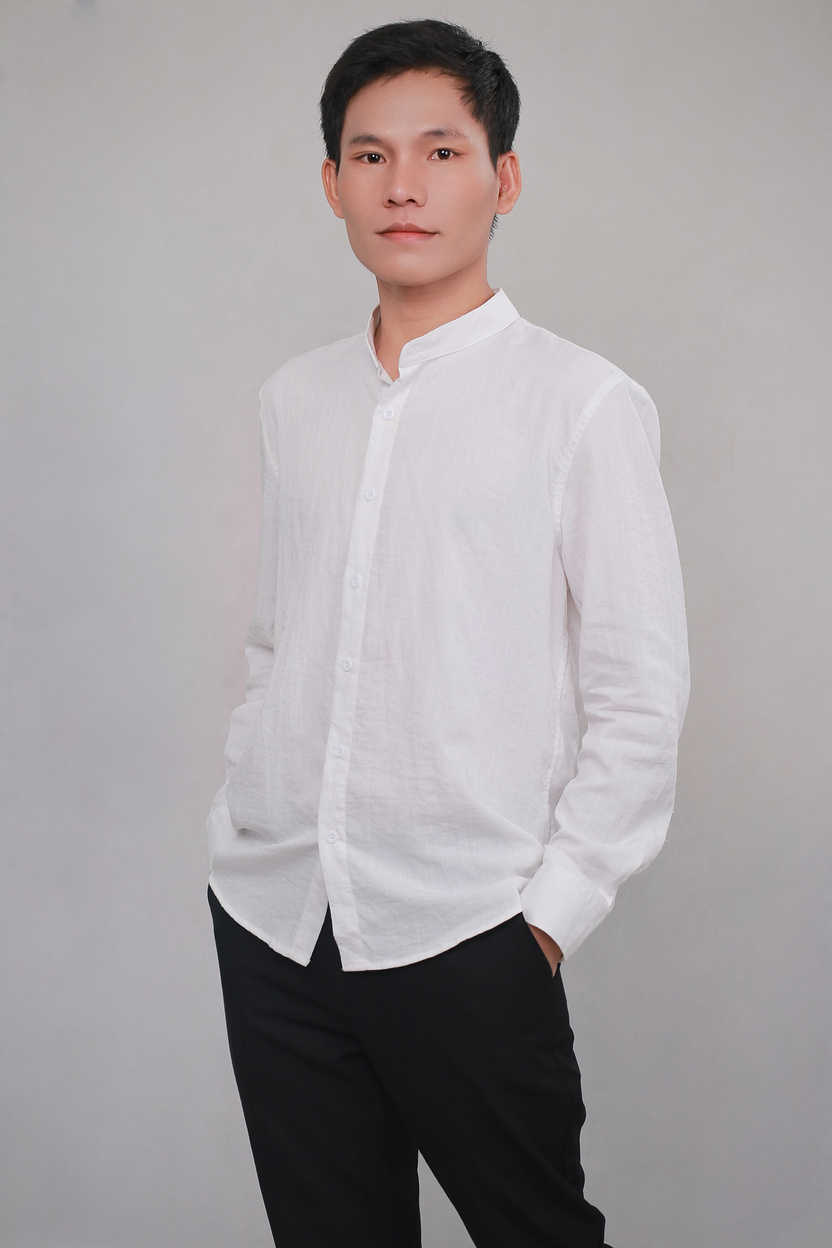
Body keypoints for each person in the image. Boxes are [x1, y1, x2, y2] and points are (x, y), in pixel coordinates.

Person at [205, 18, 689, 1248]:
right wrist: (245, 809)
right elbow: (277, 640)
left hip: (466, 928)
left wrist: (550, 917)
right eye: (369, 156)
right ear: (332, 183)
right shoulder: (295, 398)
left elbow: (639, 691)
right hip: (276, 918)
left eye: (440, 151)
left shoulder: (580, 403)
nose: (402, 186)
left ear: (502, 177)